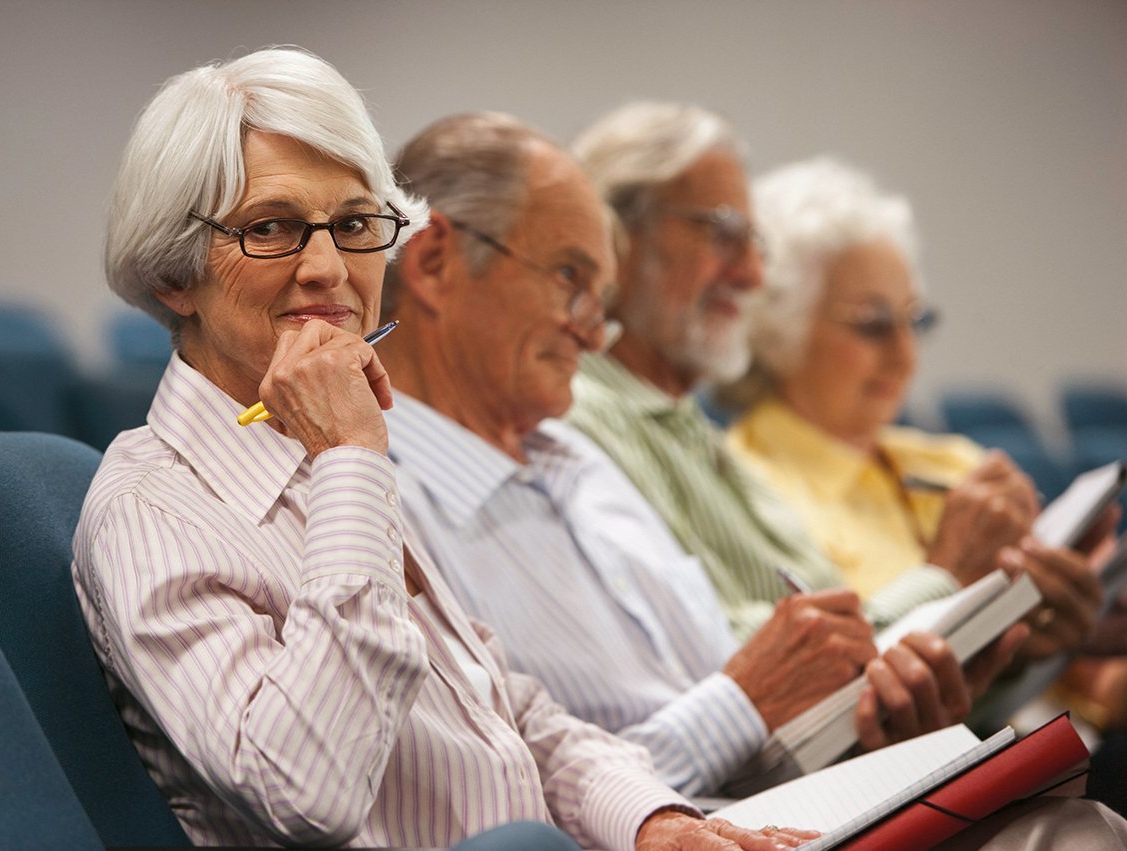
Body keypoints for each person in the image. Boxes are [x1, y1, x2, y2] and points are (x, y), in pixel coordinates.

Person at [71, 46, 816, 851]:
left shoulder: (315, 457)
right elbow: (304, 789)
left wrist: (655, 823)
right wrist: (351, 458)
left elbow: (510, 710)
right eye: (272, 228)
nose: (328, 269)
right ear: (173, 276)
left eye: (355, 224)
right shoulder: (151, 507)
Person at [378, 110, 1127, 848]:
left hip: (782, 797)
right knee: (1077, 826)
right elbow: (523, 788)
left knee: (1075, 811)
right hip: (681, 827)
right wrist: (756, 701)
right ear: (436, 261)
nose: (591, 325)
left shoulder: (575, 461)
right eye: (571, 277)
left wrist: (889, 709)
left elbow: (767, 695)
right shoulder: (386, 506)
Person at [565, 101, 1106, 654]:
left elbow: (862, 683)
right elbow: (735, 666)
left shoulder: (691, 434)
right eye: (722, 232)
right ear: (616, 237)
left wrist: (1016, 648)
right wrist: (947, 579)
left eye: (915, 321)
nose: (753, 274)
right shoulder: (577, 419)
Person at [729, 154, 1127, 809]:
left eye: (915, 321)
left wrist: (1084, 627)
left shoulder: (952, 459)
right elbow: (849, 700)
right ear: (780, 329)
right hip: (917, 786)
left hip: (1048, 738)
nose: (906, 356)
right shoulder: (753, 486)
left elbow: (1074, 661)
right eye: (873, 323)